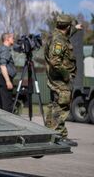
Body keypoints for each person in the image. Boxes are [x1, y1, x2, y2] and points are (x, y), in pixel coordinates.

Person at [44, 14, 79, 147]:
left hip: (56, 78)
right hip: (60, 80)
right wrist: (66, 75)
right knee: (61, 106)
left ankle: (49, 133)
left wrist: (76, 28)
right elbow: (55, 62)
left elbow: (64, 38)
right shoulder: (59, 40)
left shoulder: (57, 36)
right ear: (67, 26)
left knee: (54, 105)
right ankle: (59, 136)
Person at [0, 33, 16, 112]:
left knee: (0, 103)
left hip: (1, 77)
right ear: (7, 39)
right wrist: (8, 81)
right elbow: (3, 66)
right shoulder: (5, 50)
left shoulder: (1, 49)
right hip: (4, 78)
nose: (14, 39)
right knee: (7, 104)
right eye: (12, 38)